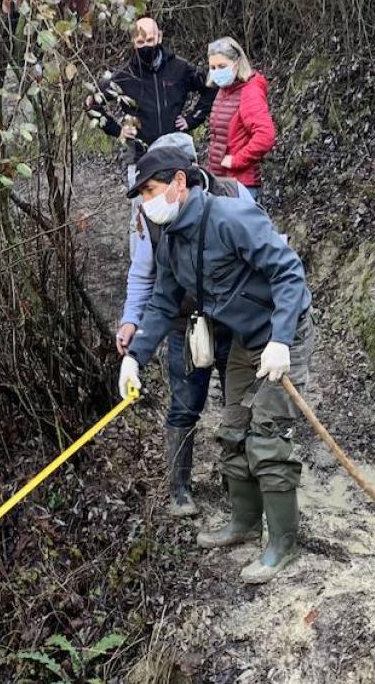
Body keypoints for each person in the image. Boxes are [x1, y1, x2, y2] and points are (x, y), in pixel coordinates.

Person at [116, 151, 314, 584]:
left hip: (284, 334)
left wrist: (281, 340)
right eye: (143, 195)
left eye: (150, 191)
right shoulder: (170, 239)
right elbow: (164, 302)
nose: (147, 202)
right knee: (233, 430)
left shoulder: (231, 217)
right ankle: (244, 523)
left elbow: (288, 272)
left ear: (179, 183)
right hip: (245, 340)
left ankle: (283, 543)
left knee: (266, 438)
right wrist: (135, 358)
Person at [117, 134, 254, 518]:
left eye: (151, 188)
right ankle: (179, 489)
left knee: (238, 402)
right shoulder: (152, 213)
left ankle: (236, 480)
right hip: (183, 321)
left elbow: (263, 253)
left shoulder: (231, 197)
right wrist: (133, 324)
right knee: (185, 402)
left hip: (233, 321)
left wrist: (270, 327)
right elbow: (148, 278)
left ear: (185, 174)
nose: (147, 199)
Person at [85, 17, 216, 164]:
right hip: (141, 156)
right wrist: (117, 130)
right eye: (140, 42)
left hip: (175, 152)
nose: (145, 46)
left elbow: (210, 88)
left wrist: (191, 119)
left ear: (159, 37)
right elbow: (91, 102)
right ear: (133, 41)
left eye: (150, 40)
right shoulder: (124, 76)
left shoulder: (179, 68)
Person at [204, 37, 276, 202]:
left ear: (237, 64)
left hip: (241, 186)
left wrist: (237, 160)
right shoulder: (224, 90)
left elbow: (266, 135)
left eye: (222, 66)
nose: (216, 71)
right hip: (221, 181)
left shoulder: (250, 92)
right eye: (212, 67)